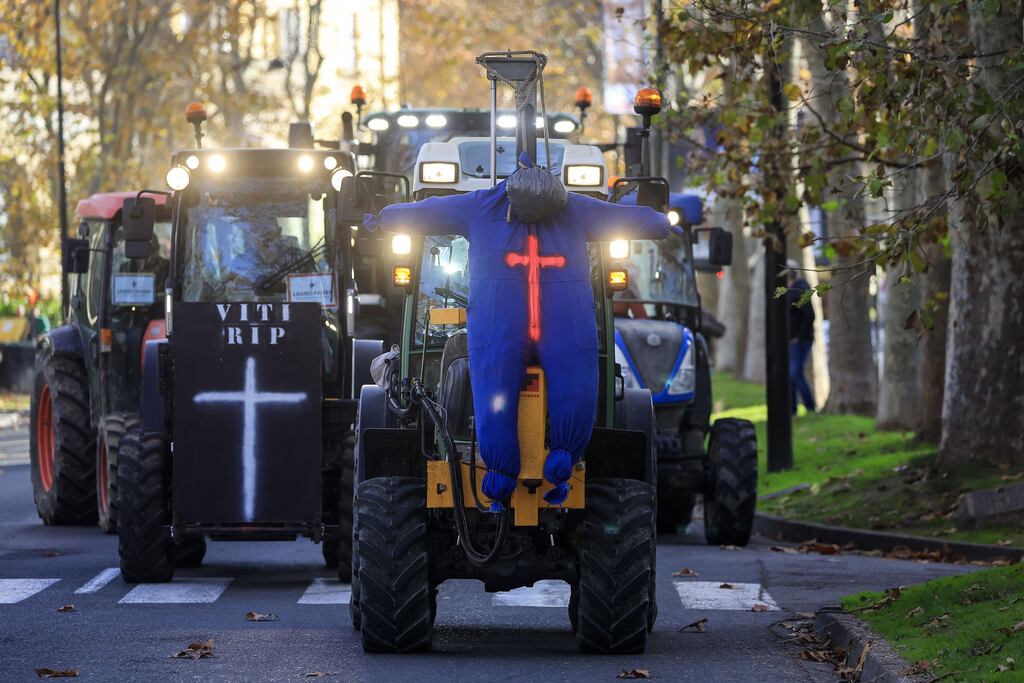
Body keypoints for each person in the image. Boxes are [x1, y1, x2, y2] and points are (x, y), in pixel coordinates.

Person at [786, 259, 815, 414]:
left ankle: (810, 405)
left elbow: (809, 315)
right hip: (792, 340)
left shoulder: (800, 289)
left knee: (795, 372)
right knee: (791, 375)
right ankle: (792, 409)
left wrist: (798, 335)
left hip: (800, 340)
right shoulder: (787, 290)